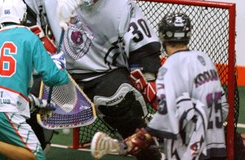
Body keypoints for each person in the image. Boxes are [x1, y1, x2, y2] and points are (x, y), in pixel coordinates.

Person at [8, 0, 161, 159]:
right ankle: (33, 148)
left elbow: (144, 48)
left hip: (105, 72)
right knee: (30, 102)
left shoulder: (121, 6)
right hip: (61, 70)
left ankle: (147, 148)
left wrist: (150, 79)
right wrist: (40, 37)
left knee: (121, 103)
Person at [92, 12, 229, 159]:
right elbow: (223, 105)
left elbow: (168, 113)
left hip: (193, 144)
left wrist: (143, 136)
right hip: (215, 141)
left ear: (163, 36)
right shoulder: (204, 58)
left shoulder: (170, 68)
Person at [0, 0, 69, 160]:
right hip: (4, 110)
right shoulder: (29, 37)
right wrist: (61, 68)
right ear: (23, 15)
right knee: (34, 157)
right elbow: (52, 77)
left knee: (8, 156)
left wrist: (34, 103)